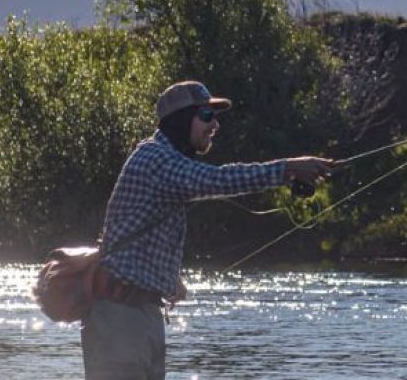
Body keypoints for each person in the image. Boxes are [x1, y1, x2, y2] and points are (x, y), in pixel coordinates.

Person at [81, 80, 334, 379]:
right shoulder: (156, 158)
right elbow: (217, 179)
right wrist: (288, 168)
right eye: (205, 116)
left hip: (140, 316)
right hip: (120, 318)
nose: (214, 125)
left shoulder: (165, 161)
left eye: (215, 117)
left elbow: (141, 227)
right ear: (179, 121)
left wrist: (169, 278)